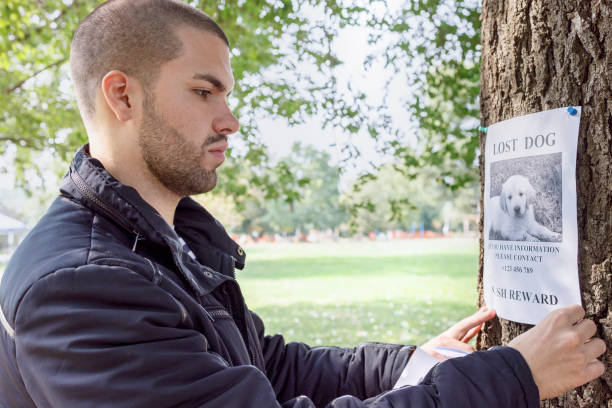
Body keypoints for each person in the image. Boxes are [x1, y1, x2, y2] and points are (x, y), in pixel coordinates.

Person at [0, 0, 605, 406]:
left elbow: (268, 366)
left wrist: (413, 365)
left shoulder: (158, 242)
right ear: (122, 96)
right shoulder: (82, 285)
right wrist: (510, 377)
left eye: (227, 95)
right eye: (203, 91)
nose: (230, 120)